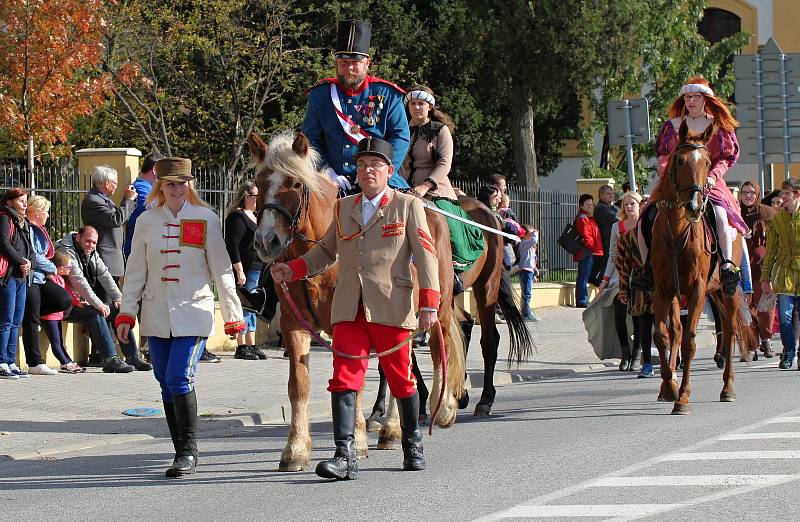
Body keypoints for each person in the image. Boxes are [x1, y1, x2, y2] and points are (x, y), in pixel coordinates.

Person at [271, 136, 439, 481]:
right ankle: (345, 454)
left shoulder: (407, 206)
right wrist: (294, 269)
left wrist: (429, 305)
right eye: (362, 165)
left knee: (401, 379)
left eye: (375, 165)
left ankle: (412, 442)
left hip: (391, 307)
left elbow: (426, 258)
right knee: (343, 379)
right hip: (349, 309)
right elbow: (324, 253)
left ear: (388, 171)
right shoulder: (343, 206)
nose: (367, 171)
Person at [115, 157, 246, 478]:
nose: (177, 189)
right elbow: (135, 272)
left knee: (178, 378)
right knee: (164, 382)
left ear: (190, 184)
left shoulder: (205, 218)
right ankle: (178, 452)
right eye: (171, 183)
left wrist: (233, 315)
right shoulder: (146, 220)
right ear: (160, 185)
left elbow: (222, 270)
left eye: (182, 183)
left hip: (194, 312)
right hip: (157, 314)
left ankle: (189, 451)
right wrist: (126, 313)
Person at [637, 76, 746, 294]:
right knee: (645, 216)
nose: (692, 101)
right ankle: (646, 267)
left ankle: (726, 266)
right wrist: (664, 169)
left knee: (721, 215)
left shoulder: (718, 125)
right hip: (675, 182)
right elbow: (664, 154)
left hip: (709, 182)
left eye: (696, 97)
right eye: (688, 97)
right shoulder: (673, 125)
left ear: (705, 99)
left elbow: (726, 158)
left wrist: (713, 176)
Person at [302, 19, 409, 196]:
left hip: (380, 181)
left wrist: (380, 172)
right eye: (343, 62)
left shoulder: (388, 93)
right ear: (336, 63)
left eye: (355, 62)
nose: (349, 67)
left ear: (367, 63)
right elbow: (309, 138)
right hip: (332, 182)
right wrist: (326, 171)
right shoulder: (320, 95)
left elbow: (400, 136)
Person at [402, 85, 483, 294]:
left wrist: (424, 186)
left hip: (434, 190)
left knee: (448, 225)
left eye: (421, 103)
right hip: (402, 189)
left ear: (430, 106)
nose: (416, 107)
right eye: (412, 103)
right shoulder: (401, 130)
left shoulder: (440, 130)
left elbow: (444, 163)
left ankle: (453, 271)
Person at [56, 226, 150, 372]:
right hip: (65, 304)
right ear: (78, 238)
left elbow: (104, 274)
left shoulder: (91, 252)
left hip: (81, 302)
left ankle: (132, 356)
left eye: (94, 243)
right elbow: (79, 282)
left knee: (118, 311)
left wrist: (118, 298)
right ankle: (110, 359)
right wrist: (99, 304)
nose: (91, 245)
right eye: (88, 241)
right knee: (96, 313)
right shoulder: (66, 250)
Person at [21, 196, 73, 375]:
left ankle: (30, 312)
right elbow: (34, 255)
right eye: (46, 212)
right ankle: (35, 362)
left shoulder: (38, 228)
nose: (48, 216)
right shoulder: (28, 229)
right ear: (37, 213)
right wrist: (53, 268)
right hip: (32, 278)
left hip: (41, 276)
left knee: (63, 299)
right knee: (32, 321)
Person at [599, 191, 643, 371]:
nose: (629, 207)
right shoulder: (617, 227)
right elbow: (612, 255)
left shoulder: (644, 224)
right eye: (626, 204)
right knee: (619, 314)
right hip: (621, 277)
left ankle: (637, 354)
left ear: (639, 205)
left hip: (641, 276)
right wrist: (605, 279)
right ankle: (625, 352)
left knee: (640, 316)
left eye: (632, 203)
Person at [760, 178, 800, 370]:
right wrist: (765, 277)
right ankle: (789, 351)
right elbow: (770, 251)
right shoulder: (776, 220)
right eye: (782, 193)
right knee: (784, 317)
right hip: (785, 273)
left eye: (786, 193)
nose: (782, 197)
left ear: (796, 195)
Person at [224, 181, 264, 361]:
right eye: (255, 195)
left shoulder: (257, 215)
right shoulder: (237, 217)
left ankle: (251, 343)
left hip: (257, 267)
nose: (258, 199)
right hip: (245, 267)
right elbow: (233, 245)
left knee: (253, 306)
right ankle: (241, 345)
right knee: (243, 305)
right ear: (246, 196)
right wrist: (239, 270)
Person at [615, 204, 656, 378]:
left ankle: (672, 358)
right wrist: (623, 289)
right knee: (645, 325)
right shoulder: (628, 238)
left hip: (663, 289)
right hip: (641, 288)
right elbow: (622, 266)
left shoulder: (664, 236)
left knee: (666, 326)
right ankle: (646, 363)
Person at [739, 181, 777, 358]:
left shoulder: (766, 212)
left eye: (752, 192)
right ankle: (751, 345)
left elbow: (779, 235)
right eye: (745, 192)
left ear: (757, 194)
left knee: (764, 307)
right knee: (746, 309)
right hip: (741, 269)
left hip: (762, 268)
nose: (748, 196)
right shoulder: (736, 213)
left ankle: (766, 340)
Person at [81, 165, 137, 280]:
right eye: (115, 183)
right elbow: (116, 220)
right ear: (107, 183)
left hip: (111, 262)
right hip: (104, 261)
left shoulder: (102, 198)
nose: (116, 186)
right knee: (106, 298)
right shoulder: (94, 200)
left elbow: (120, 220)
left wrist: (129, 201)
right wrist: (128, 200)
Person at [0, 188, 34, 379]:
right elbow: (4, 244)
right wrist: (22, 262)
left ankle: (11, 361)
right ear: (10, 201)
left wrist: (30, 263)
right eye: (21, 201)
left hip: (22, 276)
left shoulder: (23, 222)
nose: (24, 204)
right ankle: (1, 360)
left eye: (25, 201)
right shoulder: (5, 218)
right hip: (8, 276)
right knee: (5, 320)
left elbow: (29, 247)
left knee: (16, 321)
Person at [40, 251, 84, 373]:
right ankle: (65, 363)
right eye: (68, 267)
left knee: (60, 341)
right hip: (49, 316)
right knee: (55, 342)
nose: (69, 270)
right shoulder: (51, 278)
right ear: (59, 267)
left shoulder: (61, 279)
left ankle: (68, 361)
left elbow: (67, 293)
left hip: (58, 315)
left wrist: (77, 302)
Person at [124, 152, 164, 259]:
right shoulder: (141, 189)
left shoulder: (147, 188)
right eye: (164, 170)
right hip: (138, 250)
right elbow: (157, 212)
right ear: (155, 170)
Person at [574, 194, 602, 308]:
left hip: (587, 251)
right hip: (586, 251)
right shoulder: (583, 218)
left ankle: (583, 299)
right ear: (581, 205)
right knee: (583, 276)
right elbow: (587, 236)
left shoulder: (586, 217)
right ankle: (582, 300)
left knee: (584, 276)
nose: (590, 206)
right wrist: (592, 247)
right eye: (588, 204)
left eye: (591, 204)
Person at [590, 185, 618, 287]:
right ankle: (600, 281)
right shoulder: (601, 208)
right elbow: (618, 217)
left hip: (609, 241)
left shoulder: (611, 207)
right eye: (608, 194)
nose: (611, 196)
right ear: (601, 195)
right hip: (605, 241)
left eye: (612, 193)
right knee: (605, 263)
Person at [517, 224, 540, 321]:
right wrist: (536, 234)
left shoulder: (529, 246)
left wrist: (534, 272)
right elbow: (534, 240)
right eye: (531, 233)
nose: (532, 235)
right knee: (526, 294)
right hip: (525, 271)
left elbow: (532, 260)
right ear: (525, 234)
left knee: (527, 293)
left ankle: (526, 312)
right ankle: (526, 314)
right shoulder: (523, 243)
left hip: (529, 271)